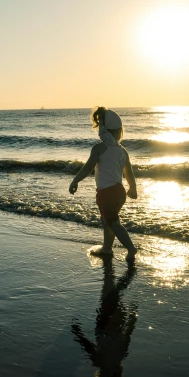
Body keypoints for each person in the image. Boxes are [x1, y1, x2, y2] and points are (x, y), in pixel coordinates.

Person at [69, 107, 138, 262]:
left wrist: (75, 180)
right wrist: (133, 188)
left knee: (113, 222)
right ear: (119, 131)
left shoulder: (100, 148)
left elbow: (87, 167)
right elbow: (129, 173)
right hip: (119, 192)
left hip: (107, 193)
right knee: (108, 221)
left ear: (103, 130)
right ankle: (107, 248)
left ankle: (131, 248)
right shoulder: (122, 151)